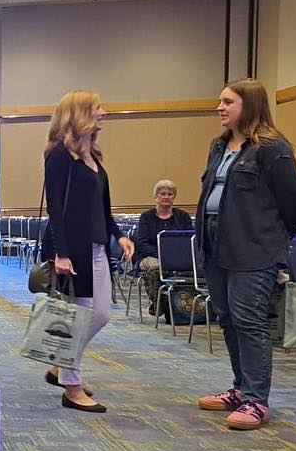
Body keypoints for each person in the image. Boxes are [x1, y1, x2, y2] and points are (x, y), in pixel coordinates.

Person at [192, 81, 296, 430]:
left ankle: (256, 400)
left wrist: (273, 242)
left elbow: (294, 200)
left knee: (248, 320)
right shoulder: (219, 145)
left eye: (228, 101)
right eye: (220, 100)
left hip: (254, 248)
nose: (220, 107)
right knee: (227, 317)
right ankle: (241, 388)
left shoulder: (272, 148)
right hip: (215, 244)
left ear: (250, 105)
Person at [41, 91, 136, 414]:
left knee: (101, 314)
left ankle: (60, 363)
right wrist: (61, 253)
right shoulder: (59, 155)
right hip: (73, 248)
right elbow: (55, 208)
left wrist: (119, 236)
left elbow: (103, 208)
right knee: (80, 317)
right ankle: (72, 387)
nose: (103, 112)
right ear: (79, 113)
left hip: (97, 245)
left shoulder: (93, 154)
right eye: (97, 108)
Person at [132, 180, 194, 309]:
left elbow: (190, 239)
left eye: (170, 194)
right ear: (156, 196)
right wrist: (163, 255)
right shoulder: (146, 217)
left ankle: (182, 306)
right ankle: (160, 304)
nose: (166, 197)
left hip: (179, 257)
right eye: (162, 194)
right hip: (151, 256)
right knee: (155, 269)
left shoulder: (183, 216)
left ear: (174, 197)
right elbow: (142, 243)